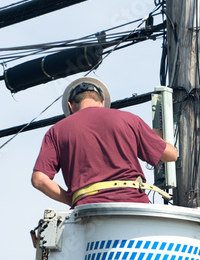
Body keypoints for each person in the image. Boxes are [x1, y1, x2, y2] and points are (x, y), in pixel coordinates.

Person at [31, 77, 178, 207]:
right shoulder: (129, 119)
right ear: (101, 102)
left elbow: (39, 179)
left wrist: (73, 200)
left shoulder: (56, 131)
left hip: (88, 212)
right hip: (133, 205)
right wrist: (155, 136)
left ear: (71, 106)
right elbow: (171, 155)